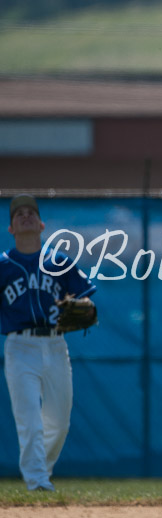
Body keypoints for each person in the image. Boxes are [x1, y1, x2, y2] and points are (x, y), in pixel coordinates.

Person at [1, 195, 96, 491]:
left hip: (56, 346)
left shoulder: (59, 261)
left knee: (59, 422)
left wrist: (86, 307)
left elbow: (86, 299)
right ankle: (38, 482)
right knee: (29, 418)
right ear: (11, 229)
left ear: (42, 225)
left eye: (31, 212)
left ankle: (42, 471)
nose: (26, 216)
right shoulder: (3, 265)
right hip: (20, 348)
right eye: (19, 214)